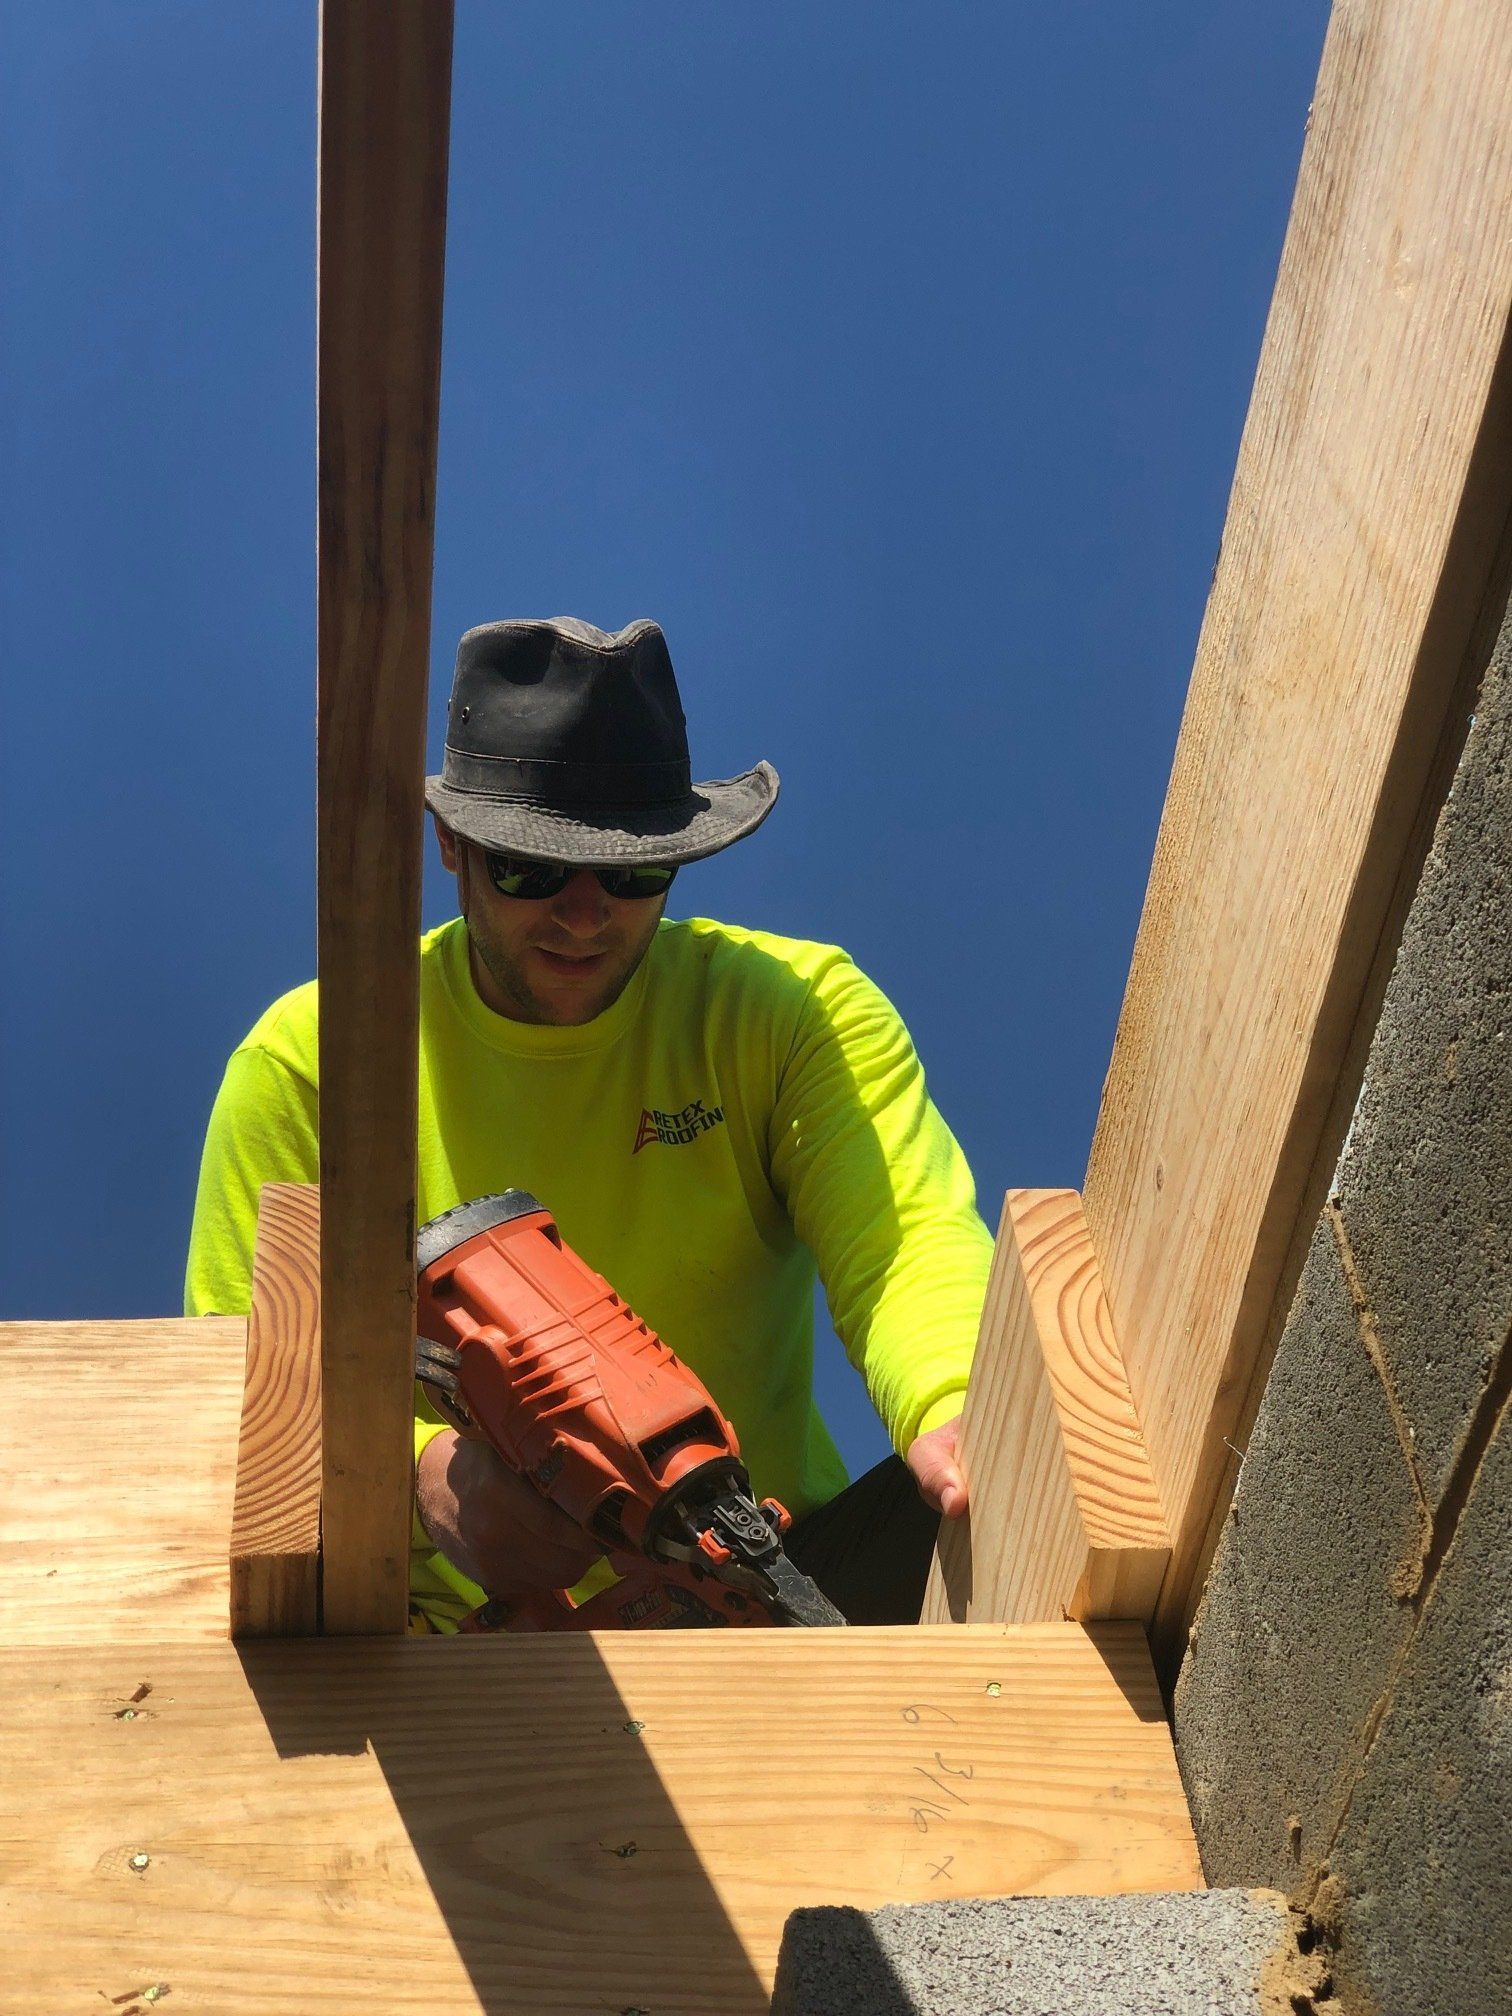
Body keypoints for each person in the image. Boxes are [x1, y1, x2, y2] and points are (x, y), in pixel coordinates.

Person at [187, 616, 994, 1629]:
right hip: (446, 1658)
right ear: (450, 844)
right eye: (529, 870)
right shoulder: (315, 1063)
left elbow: (908, 1243)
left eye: (630, 874)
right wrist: (428, 1477)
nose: (582, 913)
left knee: (979, 1513)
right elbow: (246, 1369)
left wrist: (959, 1408)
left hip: (778, 1588)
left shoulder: (788, 1013)